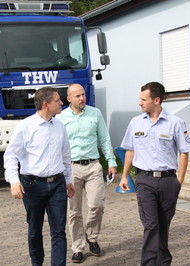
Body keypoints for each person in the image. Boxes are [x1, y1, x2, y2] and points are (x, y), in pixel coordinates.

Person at [119, 82, 190, 266]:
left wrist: (179, 181)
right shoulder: (135, 122)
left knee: (163, 226)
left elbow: (184, 152)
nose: (140, 103)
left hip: (168, 181)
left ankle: (164, 262)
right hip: (145, 181)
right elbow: (129, 150)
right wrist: (124, 176)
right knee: (151, 226)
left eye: (144, 99)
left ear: (156, 100)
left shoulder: (176, 123)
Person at [3, 87, 75, 266]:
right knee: (35, 230)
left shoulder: (59, 126)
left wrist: (69, 181)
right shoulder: (25, 127)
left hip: (58, 184)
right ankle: (37, 263)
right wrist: (14, 181)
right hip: (32, 185)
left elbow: (66, 156)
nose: (62, 103)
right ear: (45, 104)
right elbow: (11, 155)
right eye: (58, 100)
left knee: (59, 231)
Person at [56, 83, 117, 263]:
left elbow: (104, 138)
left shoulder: (95, 113)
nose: (82, 98)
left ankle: (92, 237)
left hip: (93, 166)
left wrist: (112, 162)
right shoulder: (61, 117)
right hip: (71, 168)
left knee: (97, 205)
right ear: (69, 99)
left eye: (83, 95)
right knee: (74, 211)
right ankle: (78, 247)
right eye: (77, 96)